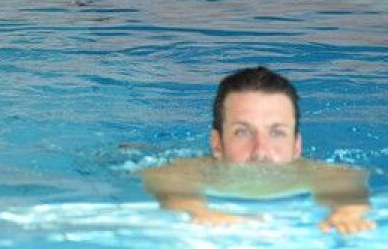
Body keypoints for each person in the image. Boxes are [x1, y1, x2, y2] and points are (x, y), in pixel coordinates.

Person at [141, 66, 374, 235]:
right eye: (242, 132)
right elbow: (165, 178)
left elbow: (347, 181)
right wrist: (198, 211)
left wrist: (347, 212)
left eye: (277, 132)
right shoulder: (196, 170)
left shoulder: (316, 173)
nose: (260, 150)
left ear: (297, 146)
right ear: (217, 144)